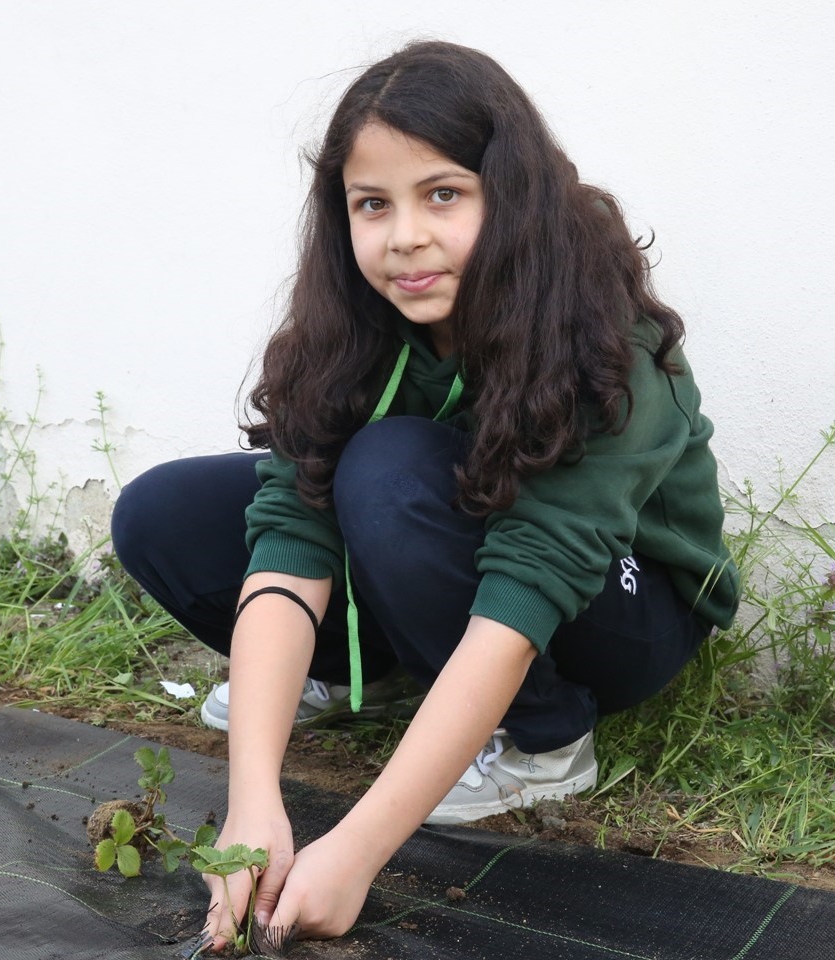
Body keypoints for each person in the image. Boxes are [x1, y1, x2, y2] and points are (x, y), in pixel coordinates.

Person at [110, 40, 739, 949]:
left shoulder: (604, 334)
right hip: (458, 541)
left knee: (387, 467)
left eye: (442, 194)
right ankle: (360, 675)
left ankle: (545, 741)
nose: (405, 235)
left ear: (509, 194)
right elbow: (292, 533)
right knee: (163, 515)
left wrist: (357, 848)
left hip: (623, 609)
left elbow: (531, 580)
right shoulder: (355, 319)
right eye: (373, 204)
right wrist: (255, 804)